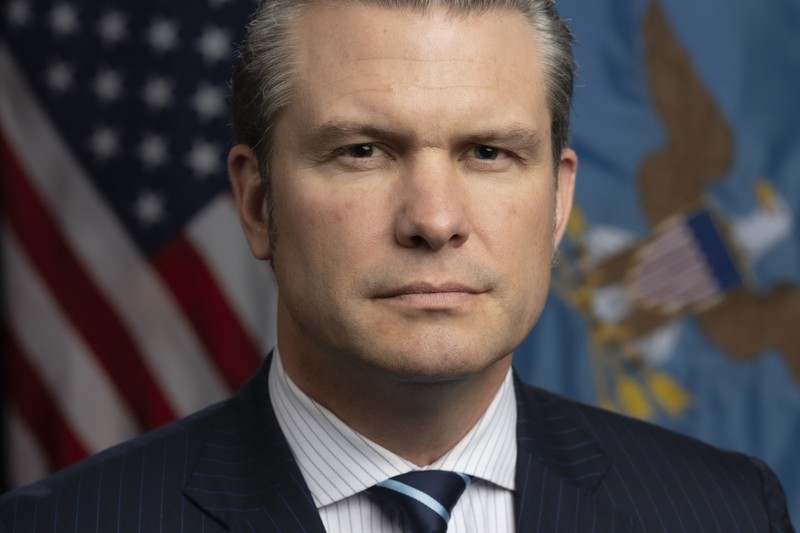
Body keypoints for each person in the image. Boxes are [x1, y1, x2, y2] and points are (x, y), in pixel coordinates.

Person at [0, 0, 794, 531]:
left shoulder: (724, 510)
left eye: (489, 152)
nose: (435, 220)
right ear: (256, 203)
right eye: (362, 151)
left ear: (557, 201)